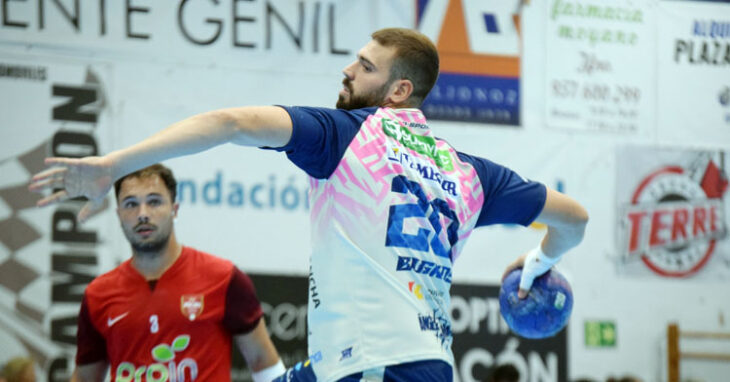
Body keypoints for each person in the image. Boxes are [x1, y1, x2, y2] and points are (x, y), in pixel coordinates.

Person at [29, 28, 588, 381]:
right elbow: (574, 219)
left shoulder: (347, 135)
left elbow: (229, 123)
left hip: (375, 363)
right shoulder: (469, 172)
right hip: (398, 361)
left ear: (397, 90)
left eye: (366, 66)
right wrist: (538, 264)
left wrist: (112, 166)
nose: (348, 70)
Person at [67, 164, 285, 382]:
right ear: (119, 214)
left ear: (175, 209)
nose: (142, 214)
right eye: (131, 204)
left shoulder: (224, 278)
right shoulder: (98, 294)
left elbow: (263, 361)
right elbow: (85, 379)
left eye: (154, 201)